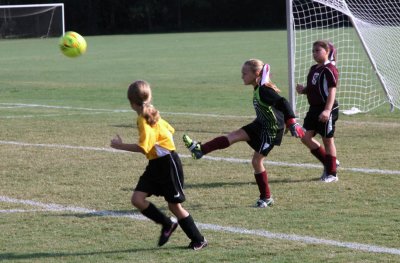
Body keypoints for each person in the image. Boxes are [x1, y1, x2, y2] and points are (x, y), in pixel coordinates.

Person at [183, 59, 305, 208]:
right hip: (260, 124)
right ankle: (200, 150)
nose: (242, 76)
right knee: (234, 136)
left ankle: (266, 198)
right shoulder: (258, 88)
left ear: (256, 74)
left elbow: (283, 103)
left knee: (256, 161)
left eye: (245, 73)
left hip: (271, 130)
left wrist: (291, 122)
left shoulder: (264, 90)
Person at [110, 80, 207, 250]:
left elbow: (142, 147)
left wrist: (119, 145)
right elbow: (170, 129)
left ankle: (198, 239)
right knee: (137, 199)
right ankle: (167, 224)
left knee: (174, 206)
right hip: (155, 164)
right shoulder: (152, 111)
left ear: (132, 102)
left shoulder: (144, 118)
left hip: (168, 164)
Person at [296, 40, 339, 183]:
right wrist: (304, 90)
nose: (314, 53)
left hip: (327, 108)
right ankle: (330, 162)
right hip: (313, 109)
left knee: (327, 140)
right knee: (305, 137)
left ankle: (332, 174)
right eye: (313, 51)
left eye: (318, 51)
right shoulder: (314, 68)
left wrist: (327, 110)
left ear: (327, 52)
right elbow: (314, 86)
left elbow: (332, 90)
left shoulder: (330, 69)